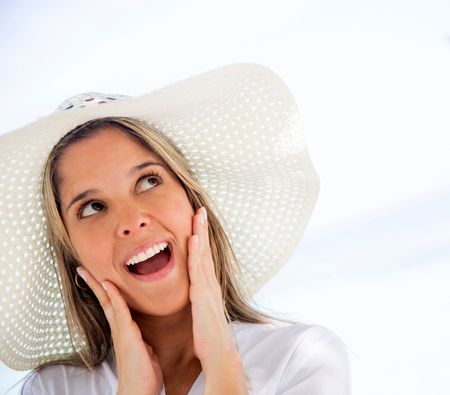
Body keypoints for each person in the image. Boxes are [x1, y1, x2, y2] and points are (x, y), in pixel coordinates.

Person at [0, 63, 351, 394]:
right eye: (93, 207)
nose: (130, 220)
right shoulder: (56, 388)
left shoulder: (301, 358)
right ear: (71, 252)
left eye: (148, 181)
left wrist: (222, 365)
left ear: (192, 200)